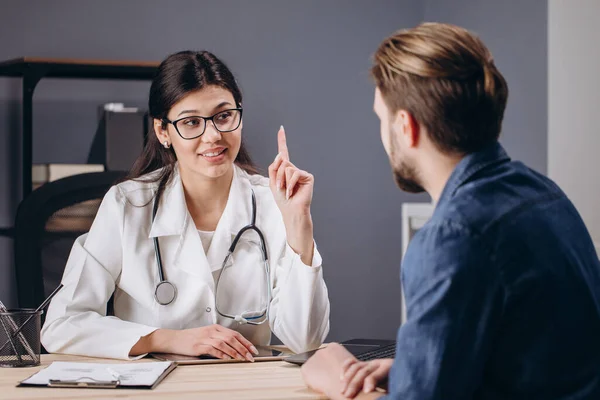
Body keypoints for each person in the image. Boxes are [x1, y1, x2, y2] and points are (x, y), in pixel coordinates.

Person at [302, 22, 600, 399]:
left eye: (381, 119)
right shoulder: (544, 195)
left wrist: (335, 375)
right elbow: (544, 359)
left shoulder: (451, 239)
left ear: (405, 127)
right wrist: (416, 368)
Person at [41, 50, 330, 361]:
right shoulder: (128, 205)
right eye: (192, 122)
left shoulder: (273, 202)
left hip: (246, 385)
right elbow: (62, 324)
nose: (213, 135)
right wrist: (167, 340)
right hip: (153, 387)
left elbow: (306, 340)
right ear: (163, 132)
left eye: (224, 116)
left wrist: (299, 224)